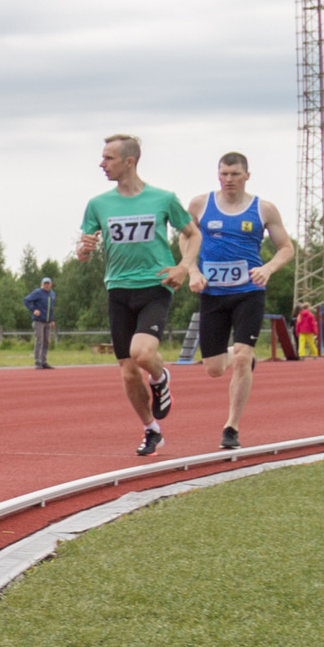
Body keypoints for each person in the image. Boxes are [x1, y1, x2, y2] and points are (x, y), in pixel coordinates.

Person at [76, 134, 195, 456]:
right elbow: (84, 246)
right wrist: (83, 250)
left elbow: (192, 234)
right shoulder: (99, 204)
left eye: (108, 158)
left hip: (155, 286)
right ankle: (151, 430)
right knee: (128, 371)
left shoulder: (163, 198)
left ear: (129, 161)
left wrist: (183, 266)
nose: (102, 164)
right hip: (118, 289)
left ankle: (160, 376)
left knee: (142, 354)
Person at [181, 152, 294, 451]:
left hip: (248, 292)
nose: (229, 179)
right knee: (214, 368)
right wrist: (192, 270)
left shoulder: (264, 209)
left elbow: (286, 248)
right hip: (213, 294)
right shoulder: (200, 205)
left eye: (234, 174)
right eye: (224, 174)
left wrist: (268, 268)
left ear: (247, 175)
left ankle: (231, 427)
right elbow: (185, 237)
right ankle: (238, 354)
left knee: (243, 358)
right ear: (218, 175)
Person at [24, 277, 57, 368]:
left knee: (47, 341)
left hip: (48, 322)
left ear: (51, 284)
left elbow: (51, 308)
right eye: (45, 283)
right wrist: (34, 310)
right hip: (39, 321)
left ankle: (44, 361)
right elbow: (26, 300)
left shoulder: (52, 294)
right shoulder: (38, 292)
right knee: (39, 341)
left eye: (48, 283)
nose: (46, 285)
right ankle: (37, 361)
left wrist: (52, 319)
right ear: (42, 284)